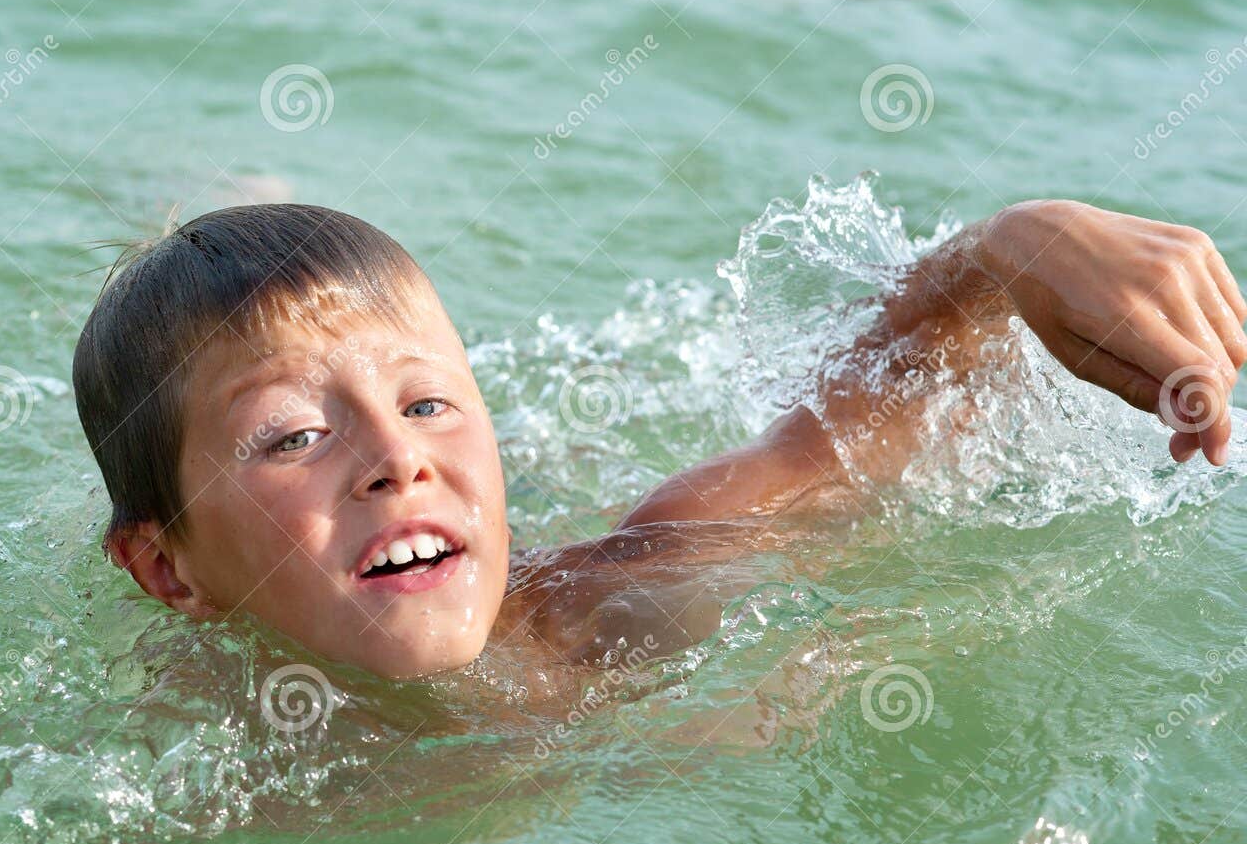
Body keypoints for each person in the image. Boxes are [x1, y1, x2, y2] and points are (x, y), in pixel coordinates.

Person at [71, 199, 1245, 681]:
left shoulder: (624, 606)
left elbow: (858, 424)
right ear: (167, 569)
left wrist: (1016, 249)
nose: (397, 457)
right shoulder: (154, 790)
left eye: (428, 404)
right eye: (290, 436)